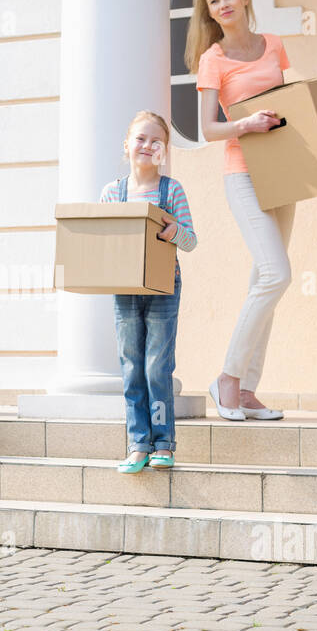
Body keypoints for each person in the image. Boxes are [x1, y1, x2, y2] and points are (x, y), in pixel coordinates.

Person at [190, 0, 292, 421]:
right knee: (277, 275)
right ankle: (227, 380)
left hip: (285, 171)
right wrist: (245, 125)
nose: (223, 6)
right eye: (214, 2)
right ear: (210, 13)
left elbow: (291, 102)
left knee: (263, 282)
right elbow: (208, 128)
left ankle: (249, 389)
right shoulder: (213, 59)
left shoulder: (273, 45)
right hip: (243, 173)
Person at [101, 111, 197, 473]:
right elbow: (105, 243)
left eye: (156, 141)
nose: (147, 145)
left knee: (158, 366)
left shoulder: (172, 190)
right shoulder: (112, 192)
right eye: (140, 138)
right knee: (131, 366)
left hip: (163, 287)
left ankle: (163, 443)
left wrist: (173, 231)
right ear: (127, 146)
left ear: (165, 152)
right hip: (124, 289)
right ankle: (137, 443)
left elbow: (191, 240)